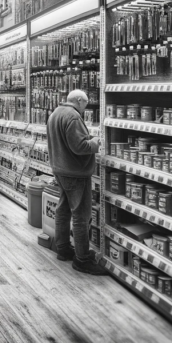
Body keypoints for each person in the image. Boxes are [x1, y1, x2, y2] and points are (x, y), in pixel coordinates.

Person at [47, 90, 106, 276]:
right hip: (74, 172)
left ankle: (63, 248)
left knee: (63, 210)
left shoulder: (56, 113)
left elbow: (68, 141)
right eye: (86, 103)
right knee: (81, 215)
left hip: (61, 169)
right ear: (79, 100)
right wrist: (95, 143)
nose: (86, 107)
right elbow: (79, 147)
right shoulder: (73, 117)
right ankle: (82, 259)